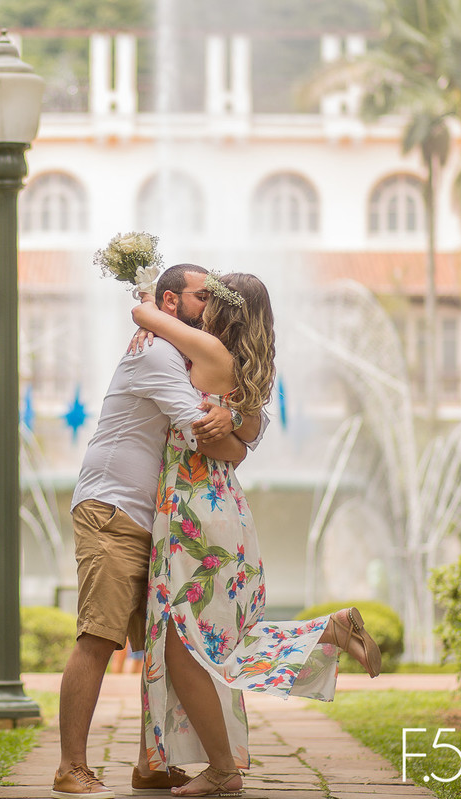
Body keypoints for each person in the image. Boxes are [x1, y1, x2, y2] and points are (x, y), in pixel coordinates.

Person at [131, 272, 383, 798]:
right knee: (216, 641)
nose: (201, 305)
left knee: (185, 645)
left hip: (192, 511)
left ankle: (223, 770)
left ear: (222, 310)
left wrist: (147, 294)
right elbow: (242, 443)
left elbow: (143, 314)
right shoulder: (248, 369)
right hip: (225, 508)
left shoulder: (205, 351)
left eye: (209, 297)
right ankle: (327, 632)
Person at [52, 264, 261, 799]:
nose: (211, 306)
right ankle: (71, 767)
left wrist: (236, 426)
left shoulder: (176, 350)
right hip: (114, 510)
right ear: (171, 302)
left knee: (169, 647)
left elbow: (232, 426)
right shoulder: (156, 354)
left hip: (155, 521)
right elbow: (203, 434)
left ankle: (152, 765)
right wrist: (235, 437)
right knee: (98, 638)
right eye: (202, 296)